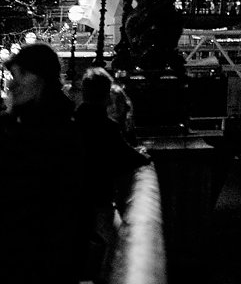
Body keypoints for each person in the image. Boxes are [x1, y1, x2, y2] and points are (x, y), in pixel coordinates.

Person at [0, 42, 95, 283]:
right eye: (13, 75)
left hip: (35, 258)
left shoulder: (52, 133)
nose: (12, 83)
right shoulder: (33, 124)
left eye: (21, 74)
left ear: (41, 79)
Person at [74, 66, 150, 278]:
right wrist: (143, 156)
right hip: (99, 200)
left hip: (76, 200)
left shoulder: (74, 123)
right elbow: (125, 157)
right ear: (105, 94)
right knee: (120, 248)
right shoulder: (106, 127)